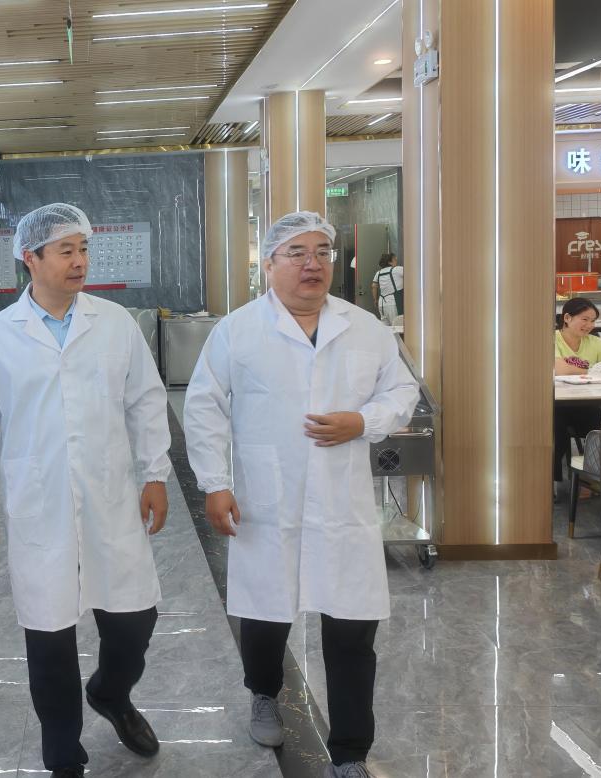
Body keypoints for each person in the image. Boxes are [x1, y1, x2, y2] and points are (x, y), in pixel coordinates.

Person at [184, 211, 419, 778]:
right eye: (296, 253)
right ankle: (264, 693)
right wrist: (215, 483)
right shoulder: (238, 330)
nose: (312, 264)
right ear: (269, 264)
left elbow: (402, 390)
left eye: (322, 252)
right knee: (266, 613)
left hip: (343, 504)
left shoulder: (364, 328)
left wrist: (362, 421)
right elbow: (204, 407)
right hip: (268, 497)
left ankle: (351, 751)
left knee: (352, 627)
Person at [0, 203, 171, 778]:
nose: (80, 261)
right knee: (49, 636)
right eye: (66, 250)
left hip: (109, 495)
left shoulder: (114, 323)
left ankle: (111, 692)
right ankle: (63, 755)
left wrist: (155, 473)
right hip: (39, 500)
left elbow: (146, 400)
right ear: (31, 258)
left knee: (135, 619)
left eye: (84, 249)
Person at [552, 298, 601, 483]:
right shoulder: (552, 338)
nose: (590, 325)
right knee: (555, 430)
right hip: (557, 405)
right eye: (585, 319)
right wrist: (595, 370)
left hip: (589, 404)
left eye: (593, 320)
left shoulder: (596, 343)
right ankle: (550, 481)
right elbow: (560, 369)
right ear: (567, 318)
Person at [371, 253, 403, 325]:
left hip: (382, 304)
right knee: (396, 326)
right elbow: (412, 273)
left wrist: (375, 300)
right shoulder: (397, 269)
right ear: (389, 262)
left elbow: (374, 286)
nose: (396, 261)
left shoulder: (378, 273)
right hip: (393, 303)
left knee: (385, 327)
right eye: (395, 259)